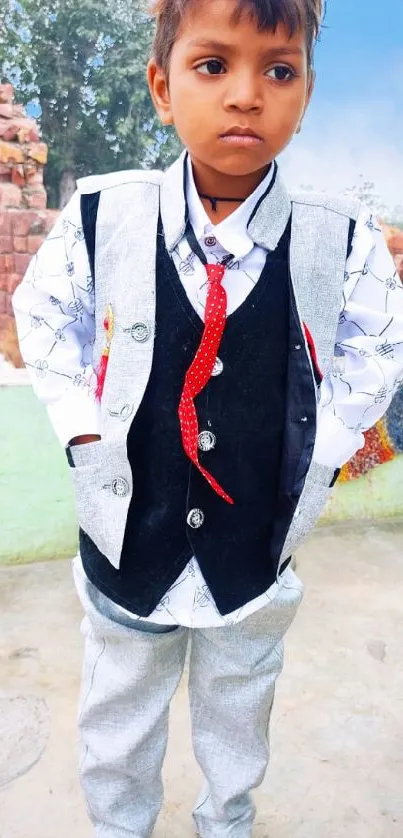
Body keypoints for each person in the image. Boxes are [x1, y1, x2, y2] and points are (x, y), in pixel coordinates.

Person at [12, 1, 403, 835]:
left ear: (303, 97)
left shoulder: (342, 240)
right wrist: (84, 431)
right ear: (161, 86)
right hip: (126, 540)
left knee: (239, 713)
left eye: (279, 70)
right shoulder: (99, 215)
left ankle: (225, 820)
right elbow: (42, 314)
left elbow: (378, 347)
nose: (245, 95)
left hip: (256, 553)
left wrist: (325, 452)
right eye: (212, 65)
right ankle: (120, 825)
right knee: (117, 716)